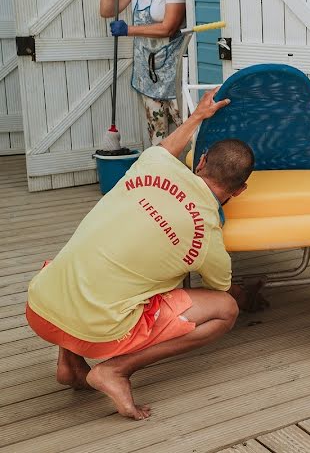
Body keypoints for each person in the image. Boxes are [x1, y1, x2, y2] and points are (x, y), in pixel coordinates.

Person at [24, 88, 266, 420]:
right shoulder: (209, 235)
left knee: (95, 254)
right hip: (101, 333)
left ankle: (70, 363)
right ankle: (116, 370)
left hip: (41, 307)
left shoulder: (153, 162)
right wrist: (243, 295)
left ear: (202, 159)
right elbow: (221, 290)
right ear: (240, 191)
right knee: (225, 310)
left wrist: (197, 116)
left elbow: (169, 147)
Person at [101, 0, 187, 145]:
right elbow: (106, 11)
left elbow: (169, 27)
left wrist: (128, 30)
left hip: (171, 66)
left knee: (186, 124)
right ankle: (161, 171)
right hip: (147, 69)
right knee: (156, 129)